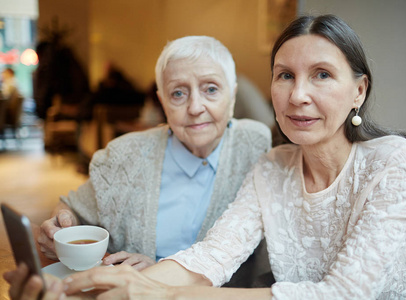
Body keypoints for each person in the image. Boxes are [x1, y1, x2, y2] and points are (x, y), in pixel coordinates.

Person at [7, 14, 406, 299]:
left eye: (321, 75)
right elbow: (212, 256)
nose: (298, 95)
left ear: (359, 90)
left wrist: (162, 293)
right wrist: (81, 288)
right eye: (285, 76)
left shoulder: (395, 161)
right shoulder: (272, 167)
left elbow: (347, 293)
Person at [3, 35, 271, 298]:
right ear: (162, 101)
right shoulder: (123, 157)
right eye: (178, 93)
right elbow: (72, 208)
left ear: (232, 94)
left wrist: (156, 277)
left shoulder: (257, 148)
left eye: (211, 89)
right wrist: (62, 225)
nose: (195, 107)